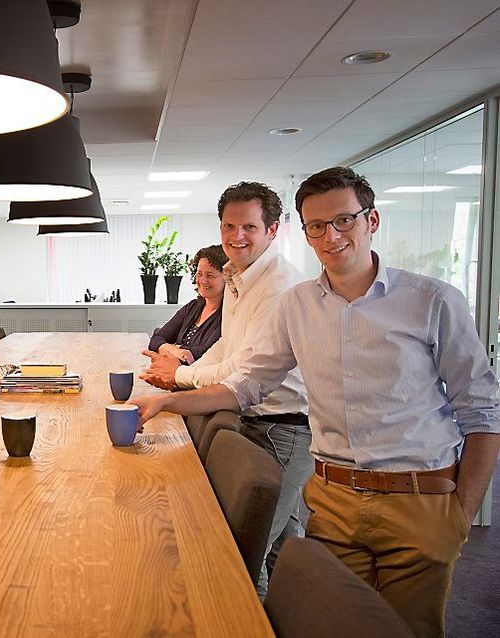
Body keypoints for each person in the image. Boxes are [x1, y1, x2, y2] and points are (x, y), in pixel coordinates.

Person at [130, 167, 500, 638]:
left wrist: (462, 514)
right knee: (331, 624)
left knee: (406, 630)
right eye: (318, 226)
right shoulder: (298, 304)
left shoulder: (432, 300)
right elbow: (246, 385)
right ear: (304, 233)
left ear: (372, 220)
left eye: (344, 220)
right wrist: (165, 404)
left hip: (418, 500)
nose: (332, 235)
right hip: (332, 499)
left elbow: (482, 411)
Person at [140, 182, 310, 598]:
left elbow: (244, 371)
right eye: (229, 226)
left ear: (273, 229)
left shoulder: (279, 287)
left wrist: (177, 381)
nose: (237, 237)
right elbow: (226, 346)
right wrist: (185, 370)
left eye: (249, 227)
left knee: (242, 556)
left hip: (282, 428)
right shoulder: (238, 277)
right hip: (254, 419)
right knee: (283, 546)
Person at [147, 244, 227, 362]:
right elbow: (156, 339)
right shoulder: (192, 306)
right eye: (199, 274)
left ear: (227, 278)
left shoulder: (229, 315)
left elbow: (205, 353)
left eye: (210, 275)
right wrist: (175, 350)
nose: (202, 280)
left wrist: (170, 347)